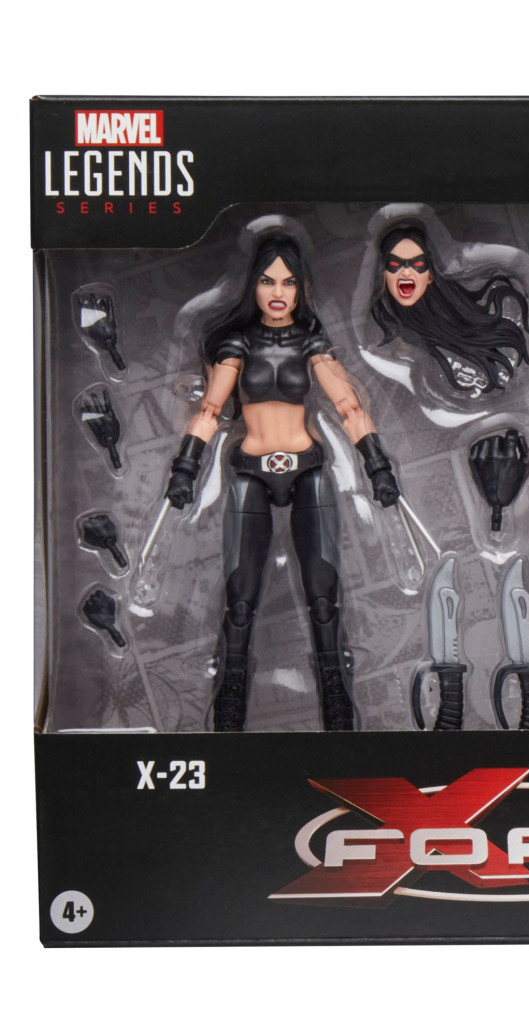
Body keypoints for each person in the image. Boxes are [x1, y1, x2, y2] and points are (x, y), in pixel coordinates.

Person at [165, 234, 400, 732]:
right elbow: (210, 409)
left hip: (307, 467)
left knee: (323, 600)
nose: (277, 292)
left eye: (288, 282)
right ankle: (229, 705)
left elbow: (350, 405)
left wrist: (377, 465)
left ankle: (336, 700)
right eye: (268, 281)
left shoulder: (311, 343)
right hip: (250, 469)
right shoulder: (238, 343)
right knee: (240, 603)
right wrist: (186, 468)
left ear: (301, 289)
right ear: (253, 285)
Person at [370, 224, 529, 396]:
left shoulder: (493, 306)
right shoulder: (389, 336)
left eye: (417, 263)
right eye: (395, 264)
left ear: (430, 275)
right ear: (384, 274)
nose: (406, 272)